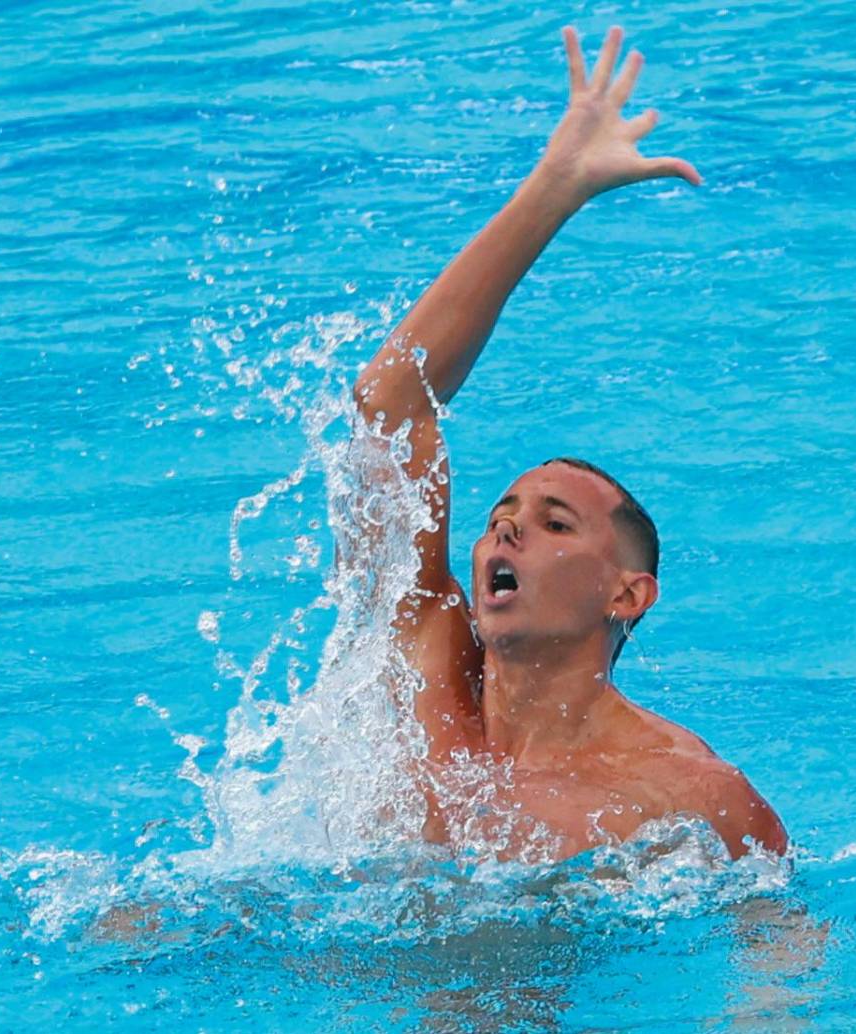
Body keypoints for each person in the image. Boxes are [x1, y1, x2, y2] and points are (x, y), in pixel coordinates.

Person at [353, 25, 787, 862]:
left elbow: (781, 946)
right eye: (502, 515)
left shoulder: (685, 792)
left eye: (556, 523)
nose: (506, 532)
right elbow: (389, 402)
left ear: (627, 596)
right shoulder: (424, 663)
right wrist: (553, 188)